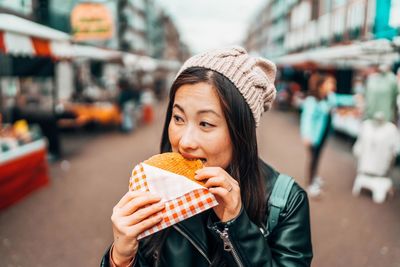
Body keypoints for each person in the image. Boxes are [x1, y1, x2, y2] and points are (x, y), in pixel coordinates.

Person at [101, 47, 313, 266]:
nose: (185, 142)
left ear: (241, 132)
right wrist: (120, 258)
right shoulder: (154, 184)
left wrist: (238, 225)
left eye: (205, 124)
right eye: (178, 118)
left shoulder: (286, 203)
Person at [300, 74, 355, 198]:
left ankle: (315, 177)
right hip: (313, 136)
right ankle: (310, 184)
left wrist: (355, 99)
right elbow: (306, 119)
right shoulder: (312, 100)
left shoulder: (329, 97)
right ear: (322, 85)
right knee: (313, 160)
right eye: (330, 83)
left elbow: (341, 99)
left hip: (322, 134)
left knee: (317, 157)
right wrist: (306, 135)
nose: (333, 86)